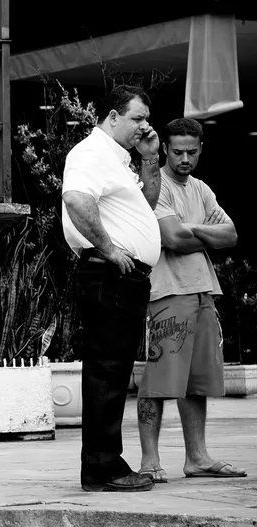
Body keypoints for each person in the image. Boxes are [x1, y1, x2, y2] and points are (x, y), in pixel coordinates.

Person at [61, 85, 162, 492]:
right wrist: (110, 250)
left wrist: (151, 159)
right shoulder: (91, 152)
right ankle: (104, 467)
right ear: (112, 116)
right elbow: (75, 200)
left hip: (122, 273)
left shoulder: (119, 160)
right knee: (107, 370)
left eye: (146, 119)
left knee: (115, 372)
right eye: (137, 118)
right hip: (109, 271)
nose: (144, 126)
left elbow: (147, 207)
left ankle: (104, 464)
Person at [136, 118, 245, 482]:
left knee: (197, 381)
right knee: (159, 380)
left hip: (202, 290)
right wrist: (203, 234)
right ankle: (150, 461)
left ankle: (196, 458)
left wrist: (193, 230)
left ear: (201, 149)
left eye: (192, 151)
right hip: (167, 291)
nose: (185, 158)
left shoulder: (200, 189)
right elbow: (172, 239)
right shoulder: (156, 186)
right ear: (165, 148)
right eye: (178, 151)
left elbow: (230, 235)